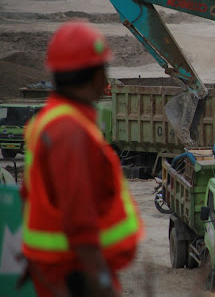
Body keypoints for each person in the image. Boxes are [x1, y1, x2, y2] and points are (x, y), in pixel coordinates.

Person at [20, 21, 143, 297]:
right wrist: (101, 283)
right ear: (97, 74)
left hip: (59, 270)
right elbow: (79, 219)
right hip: (75, 275)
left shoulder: (50, 120)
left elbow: (30, 195)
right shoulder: (70, 131)